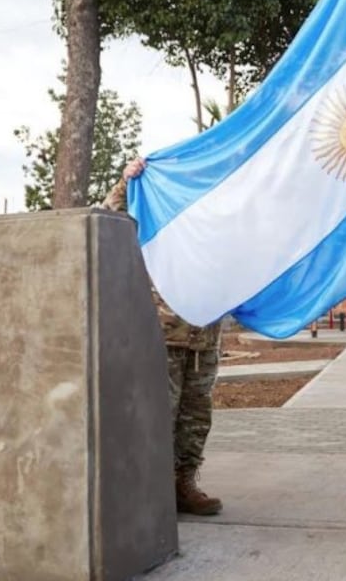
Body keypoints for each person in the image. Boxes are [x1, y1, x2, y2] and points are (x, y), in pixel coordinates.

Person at [103, 158, 224, 515]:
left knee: (196, 416)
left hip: (205, 335)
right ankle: (151, 490)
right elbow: (115, 217)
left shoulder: (218, 224)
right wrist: (127, 181)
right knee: (158, 415)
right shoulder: (163, 217)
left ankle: (184, 483)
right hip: (164, 333)